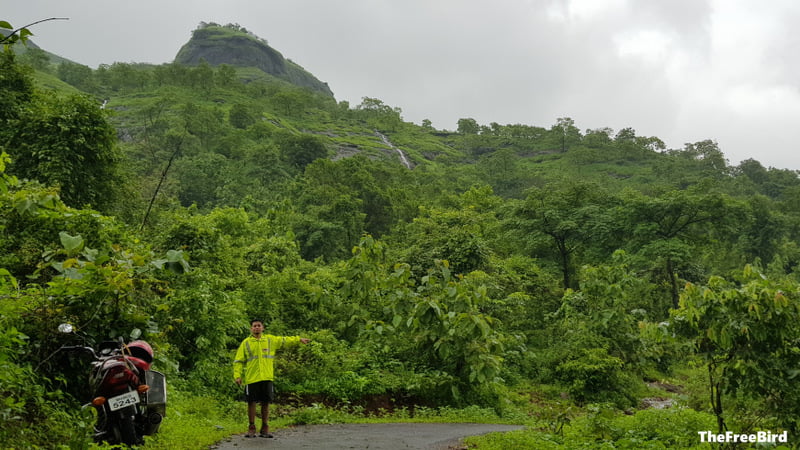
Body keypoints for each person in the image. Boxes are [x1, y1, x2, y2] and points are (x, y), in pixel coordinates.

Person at [233, 318, 310, 438]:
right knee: (251, 402)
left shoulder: (270, 340)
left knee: (265, 403)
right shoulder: (246, 343)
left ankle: (265, 428)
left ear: (263, 328)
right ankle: (251, 427)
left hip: (267, 377)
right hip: (252, 378)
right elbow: (238, 361)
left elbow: (284, 340)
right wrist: (237, 375)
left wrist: (298, 339)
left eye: (259, 325)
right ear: (251, 328)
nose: (257, 327)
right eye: (254, 326)